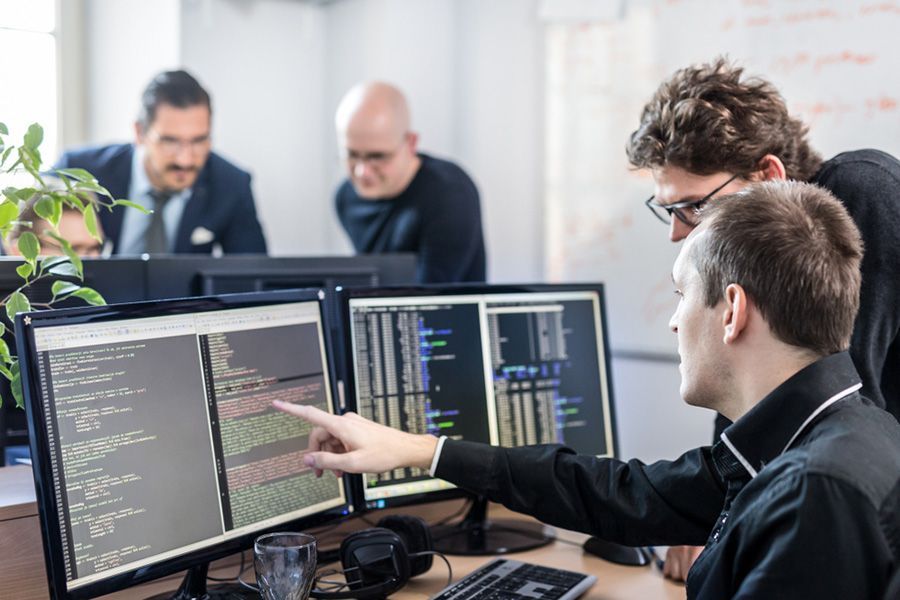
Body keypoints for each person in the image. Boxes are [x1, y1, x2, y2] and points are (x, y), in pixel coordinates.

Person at [277, 181, 900, 599]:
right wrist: (421, 449)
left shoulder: (816, 492)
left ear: (732, 310)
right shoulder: (825, 435)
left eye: (682, 294)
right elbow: (618, 495)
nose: (674, 320)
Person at [626, 57, 900, 579]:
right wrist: (714, 512)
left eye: (692, 206)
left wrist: (719, 521)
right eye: (669, 210)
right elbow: (752, 401)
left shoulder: (861, 191)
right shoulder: (763, 256)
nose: (678, 232)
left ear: (769, 176)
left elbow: (833, 400)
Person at [55, 70, 267, 255]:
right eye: (170, 142)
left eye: (199, 141)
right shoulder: (79, 171)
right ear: (140, 133)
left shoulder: (231, 185)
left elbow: (253, 279)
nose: (185, 160)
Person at [334, 82, 486, 283]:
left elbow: (431, 300)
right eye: (352, 155)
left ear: (411, 143)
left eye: (378, 156)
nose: (363, 172)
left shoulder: (450, 195)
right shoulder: (345, 197)